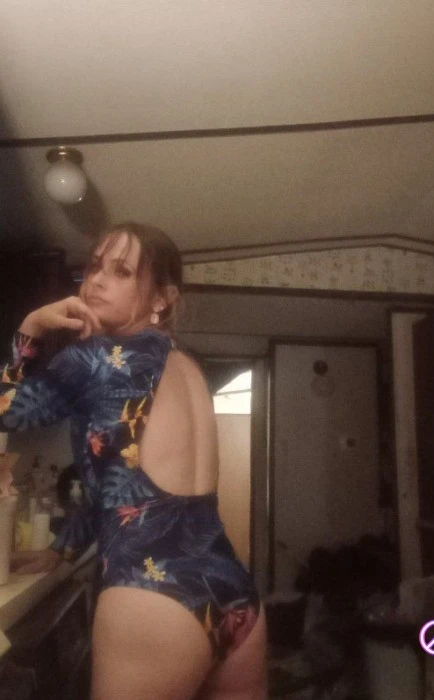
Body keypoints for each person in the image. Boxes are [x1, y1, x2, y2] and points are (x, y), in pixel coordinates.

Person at [1, 222, 267, 699]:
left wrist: (31, 326)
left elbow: (6, 410)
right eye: (93, 268)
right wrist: (62, 549)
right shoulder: (187, 367)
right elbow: (124, 486)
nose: (96, 281)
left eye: (121, 272)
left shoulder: (96, 358)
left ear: (162, 298)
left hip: (151, 593)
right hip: (234, 591)